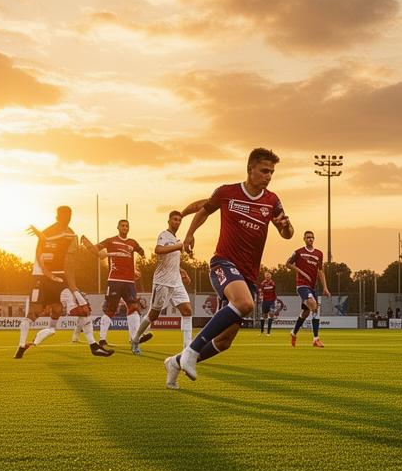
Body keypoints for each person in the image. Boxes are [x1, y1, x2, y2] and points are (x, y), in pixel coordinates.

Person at [165, 148, 293, 388]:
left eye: (272, 172)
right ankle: (191, 351)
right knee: (245, 304)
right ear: (250, 169)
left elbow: (287, 234)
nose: (268, 176)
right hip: (223, 263)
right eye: (264, 171)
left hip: (248, 275)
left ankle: (176, 361)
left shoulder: (272, 201)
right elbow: (204, 211)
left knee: (224, 342)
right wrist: (190, 234)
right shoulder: (227, 192)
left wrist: (285, 226)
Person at [18, 207, 110, 358]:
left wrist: (93, 249)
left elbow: (73, 259)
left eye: (69, 215)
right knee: (34, 314)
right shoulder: (52, 233)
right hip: (43, 278)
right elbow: (41, 254)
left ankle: (93, 345)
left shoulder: (70, 234)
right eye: (63, 216)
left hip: (59, 278)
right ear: (57, 217)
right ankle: (22, 346)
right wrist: (49, 273)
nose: (67, 218)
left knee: (80, 310)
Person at [132, 210, 194, 355]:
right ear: (169, 221)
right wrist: (178, 247)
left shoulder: (177, 240)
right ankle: (135, 339)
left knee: (187, 311)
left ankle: (187, 349)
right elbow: (158, 250)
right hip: (162, 281)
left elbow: (172, 261)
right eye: (174, 219)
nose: (177, 222)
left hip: (176, 281)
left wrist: (182, 271)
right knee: (153, 315)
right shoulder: (164, 235)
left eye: (179, 220)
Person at [82, 219, 148, 351]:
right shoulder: (110, 240)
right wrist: (87, 243)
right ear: (118, 227)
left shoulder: (133, 242)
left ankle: (134, 339)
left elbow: (141, 252)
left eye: (127, 226)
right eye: (122, 225)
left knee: (134, 307)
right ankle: (102, 340)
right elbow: (96, 250)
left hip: (129, 281)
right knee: (111, 310)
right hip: (115, 280)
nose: (125, 227)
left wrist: (137, 266)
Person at [288, 230, 330, 347]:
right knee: (314, 305)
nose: (310, 239)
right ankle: (316, 339)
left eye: (311, 237)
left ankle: (293, 333)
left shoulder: (319, 254)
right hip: (301, 285)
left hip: (312, 287)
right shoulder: (299, 252)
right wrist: (301, 272)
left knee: (306, 312)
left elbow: (320, 270)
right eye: (307, 237)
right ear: (304, 239)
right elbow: (288, 263)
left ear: (314, 239)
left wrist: (325, 287)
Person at [257, 270, 278, 335]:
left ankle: (268, 333)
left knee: (271, 315)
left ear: (270, 276)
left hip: (271, 301)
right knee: (263, 316)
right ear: (265, 276)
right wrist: (260, 298)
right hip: (265, 301)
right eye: (266, 275)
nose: (267, 277)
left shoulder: (273, 283)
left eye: (268, 275)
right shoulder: (262, 284)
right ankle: (262, 332)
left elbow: (274, 291)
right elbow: (260, 292)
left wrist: (275, 300)